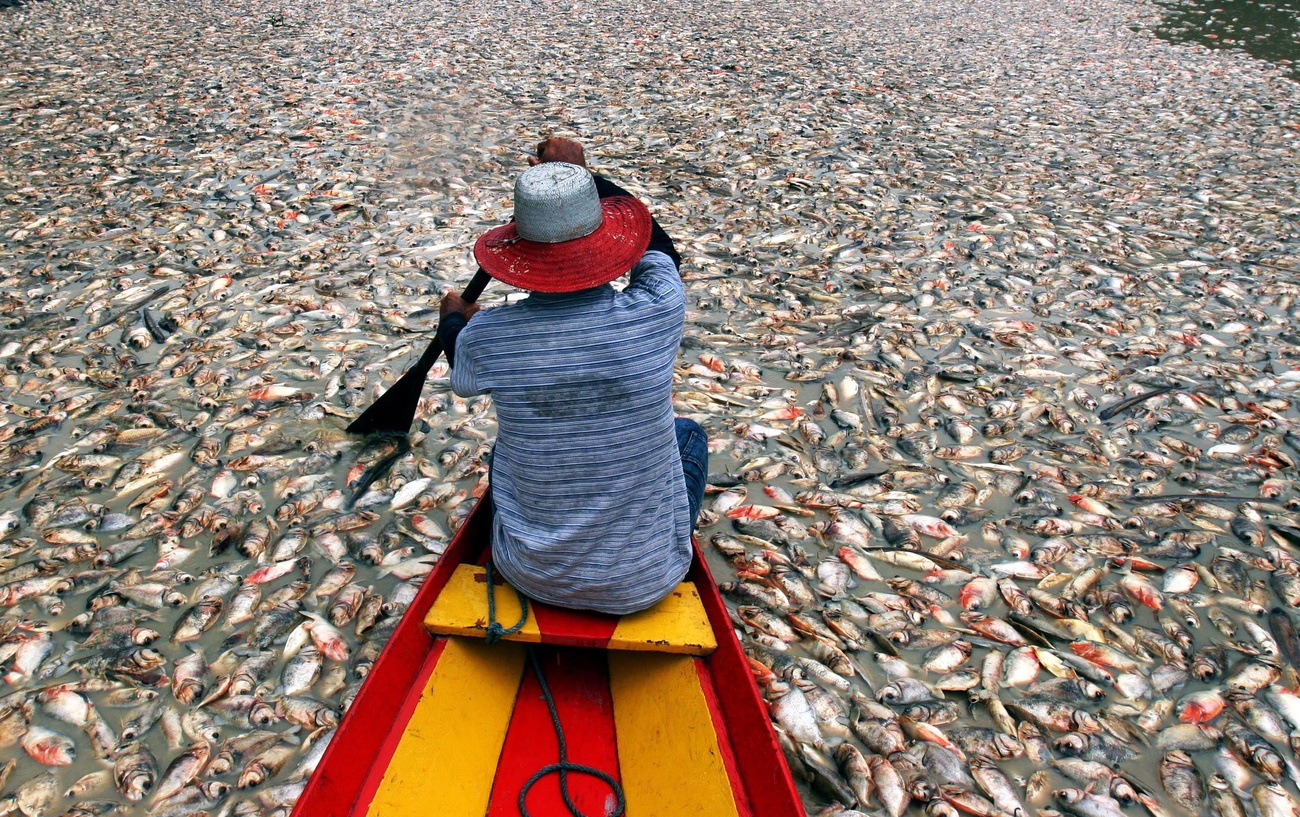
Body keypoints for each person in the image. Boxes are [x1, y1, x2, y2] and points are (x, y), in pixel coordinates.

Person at [436, 136, 707, 616]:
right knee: (687, 435)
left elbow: (462, 365)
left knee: (508, 445)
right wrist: (585, 176)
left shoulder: (491, 336)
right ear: (609, 242)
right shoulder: (658, 308)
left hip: (528, 576)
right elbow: (660, 248)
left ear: (520, 251)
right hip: (648, 582)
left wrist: (455, 317)